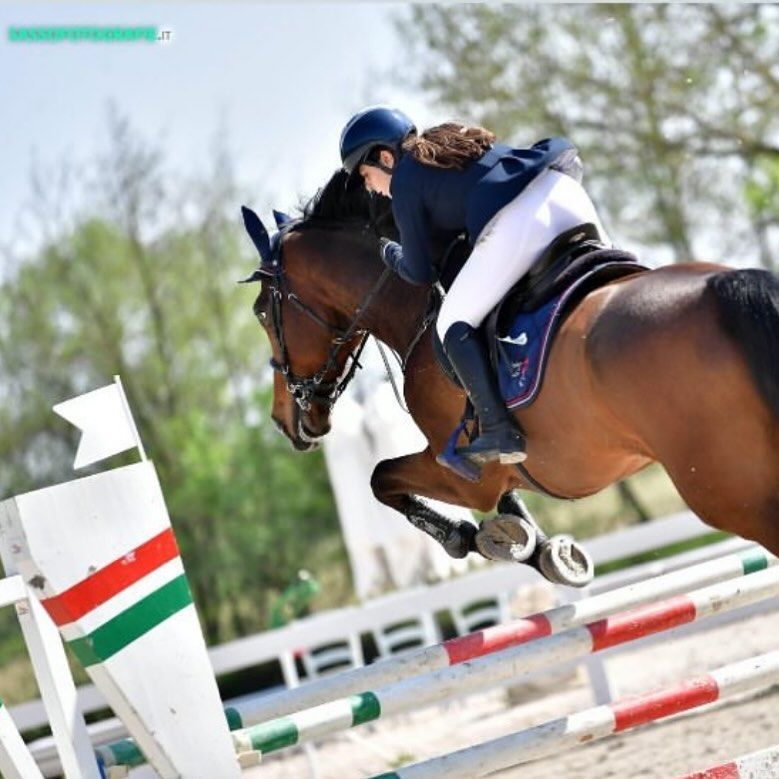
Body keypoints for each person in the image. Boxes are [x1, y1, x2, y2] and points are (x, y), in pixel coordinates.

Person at [339, 105, 610, 468]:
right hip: (565, 193)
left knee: (452, 323)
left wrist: (391, 254)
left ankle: (500, 429)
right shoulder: (447, 145)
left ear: (386, 157)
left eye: (366, 174)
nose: (369, 187)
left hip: (522, 216)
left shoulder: (405, 181)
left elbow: (419, 272)